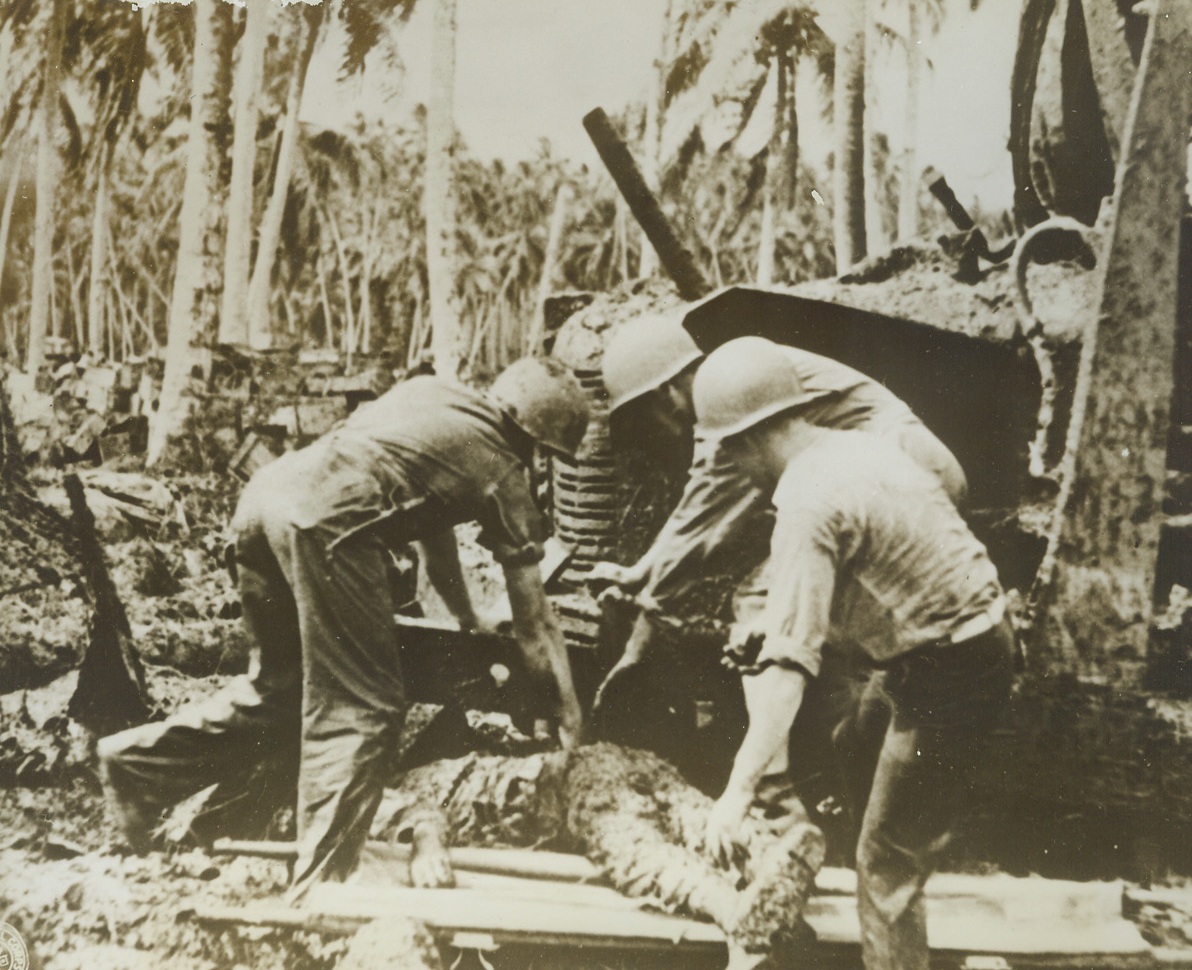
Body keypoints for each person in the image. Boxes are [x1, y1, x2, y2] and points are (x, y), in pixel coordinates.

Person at [98, 357, 590, 898]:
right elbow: (535, 622)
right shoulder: (501, 467)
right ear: (532, 438)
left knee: (282, 689)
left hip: (264, 501)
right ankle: (321, 884)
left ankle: (137, 766)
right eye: (544, 453)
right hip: (327, 528)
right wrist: (570, 713)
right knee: (365, 707)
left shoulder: (433, 396)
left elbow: (435, 538)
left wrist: (468, 618)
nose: (539, 464)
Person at [693, 337, 1015, 970]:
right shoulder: (856, 448)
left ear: (743, 442)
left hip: (953, 668)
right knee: (851, 747)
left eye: (729, 452)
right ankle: (858, 881)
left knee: (886, 859)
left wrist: (737, 791)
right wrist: (778, 631)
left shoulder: (807, 503)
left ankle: (890, 918)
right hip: (958, 642)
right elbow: (890, 580)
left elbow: (785, 678)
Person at [590, 315, 967, 795]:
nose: (651, 433)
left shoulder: (728, 396)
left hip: (903, 482)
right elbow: (697, 510)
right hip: (909, 480)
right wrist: (642, 572)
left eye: (643, 417)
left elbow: (702, 526)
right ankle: (845, 759)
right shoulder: (736, 378)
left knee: (759, 605)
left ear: (666, 393)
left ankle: (774, 792)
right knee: (829, 630)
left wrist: (636, 649)